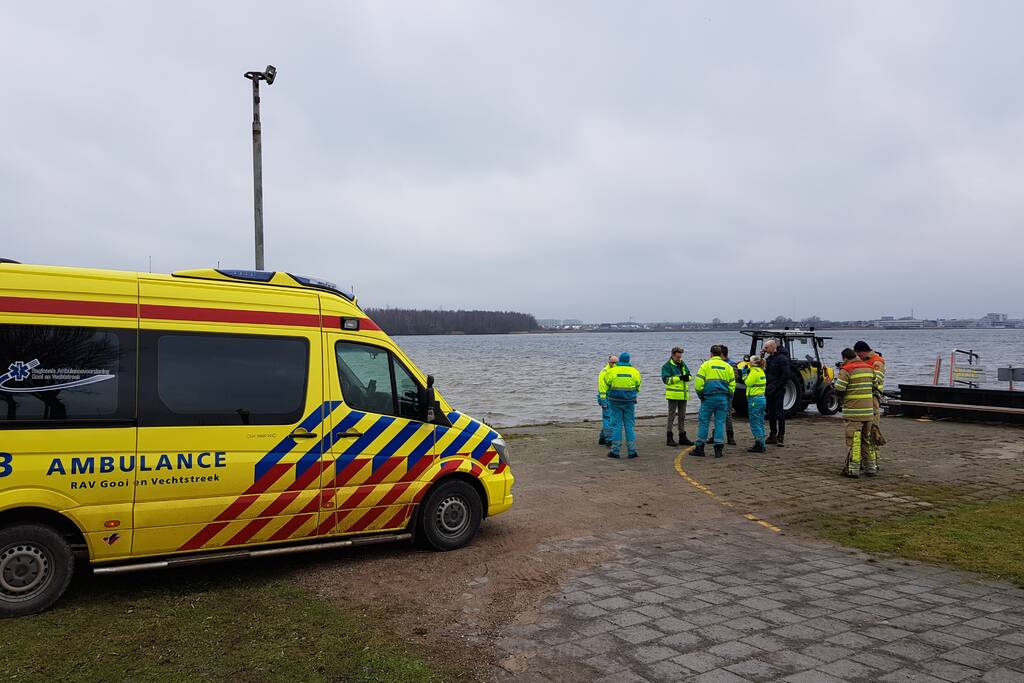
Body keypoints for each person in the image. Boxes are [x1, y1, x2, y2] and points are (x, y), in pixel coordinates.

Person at [834, 348, 878, 477]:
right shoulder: (869, 368)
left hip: (854, 413)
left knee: (854, 441)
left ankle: (853, 470)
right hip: (868, 412)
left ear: (845, 358)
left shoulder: (847, 369)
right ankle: (871, 468)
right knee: (867, 440)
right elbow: (875, 385)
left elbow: (839, 389)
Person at [691, 345, 736, 458]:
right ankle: (718, 449)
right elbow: (732, 385)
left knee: (704, 421)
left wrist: (701, 396)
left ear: (711, 353)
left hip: (708, 398)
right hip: (722, 398)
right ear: (721, 354)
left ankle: (700, 447)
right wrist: (728, 397)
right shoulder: (727, 367)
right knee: (720, 422)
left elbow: (698, 384)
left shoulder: (705, 365)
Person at [855, 341, 887, 468]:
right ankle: (865, 459)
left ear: (863, 351)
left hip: (873, 398)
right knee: (862, 432)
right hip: (863, 399)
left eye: (859, 354)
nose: (858, 356)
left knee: (873, 430)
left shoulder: (877, 361)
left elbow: (876, 380)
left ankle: (874, 460)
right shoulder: (863, 361)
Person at [605, 352, 642, 459]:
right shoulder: (635, 371)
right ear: (629, 360)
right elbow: (638, 385)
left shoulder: (612, 371)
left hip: (615, 401)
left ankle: (615, 451)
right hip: (630, 402)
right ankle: (632, 451)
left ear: (620, 360)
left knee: (616, 425)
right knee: (629, 426)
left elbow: (607, 384)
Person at [661, 346, 693, 447]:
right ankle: (669, 437)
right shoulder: (666, 366)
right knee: (671, 416)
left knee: (682, 416)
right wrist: (680, 378)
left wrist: (686, 377)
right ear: (673, 356)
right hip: (673, 395)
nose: (679, 359)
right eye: (678, 357)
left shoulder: (682, 364)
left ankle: (682, 436)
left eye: (680, 357)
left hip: (683, 395)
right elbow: (666, 380)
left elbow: (689, 376)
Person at [763, 339, 791, 447]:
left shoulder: (782, 359)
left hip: (778, 389)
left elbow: (785, 375)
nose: (765, 349)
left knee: (779, 413)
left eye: (766, 348)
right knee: (771, 413)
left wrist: (777, 387)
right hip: (769, 388)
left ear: (772, 347)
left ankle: (781, 436)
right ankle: (773, 434)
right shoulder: (769, 359)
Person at [709, 345, 738, 445]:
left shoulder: (731, 364)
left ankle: (730, 436)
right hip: (721, 393)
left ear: (721, 354)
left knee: (727, 414)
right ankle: (716, 435)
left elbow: (734, 379)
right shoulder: (727, 364)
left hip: (727, 393)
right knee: (718, 414)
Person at [743, 356, 768, 452]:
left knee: (754, 422)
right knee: (760, 422)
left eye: (749, 361)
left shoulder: (753, 372)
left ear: (753, 363)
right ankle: (762, 443)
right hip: (762, 399)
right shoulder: (761, 371)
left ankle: (759, 444)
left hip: (754, 400)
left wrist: (744, 374)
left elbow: (748, 383)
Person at [596, 354, 618, 446]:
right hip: (605, 397)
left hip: (613, 398)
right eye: (613, 362)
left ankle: (602, 438)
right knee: (607, 418)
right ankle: (609, 439)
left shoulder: (616, 371)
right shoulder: (604, 372)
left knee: (608, 418)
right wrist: (603, 401)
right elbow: (602, 389)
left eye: (617, 362)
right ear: (609, 362)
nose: (615, 364)